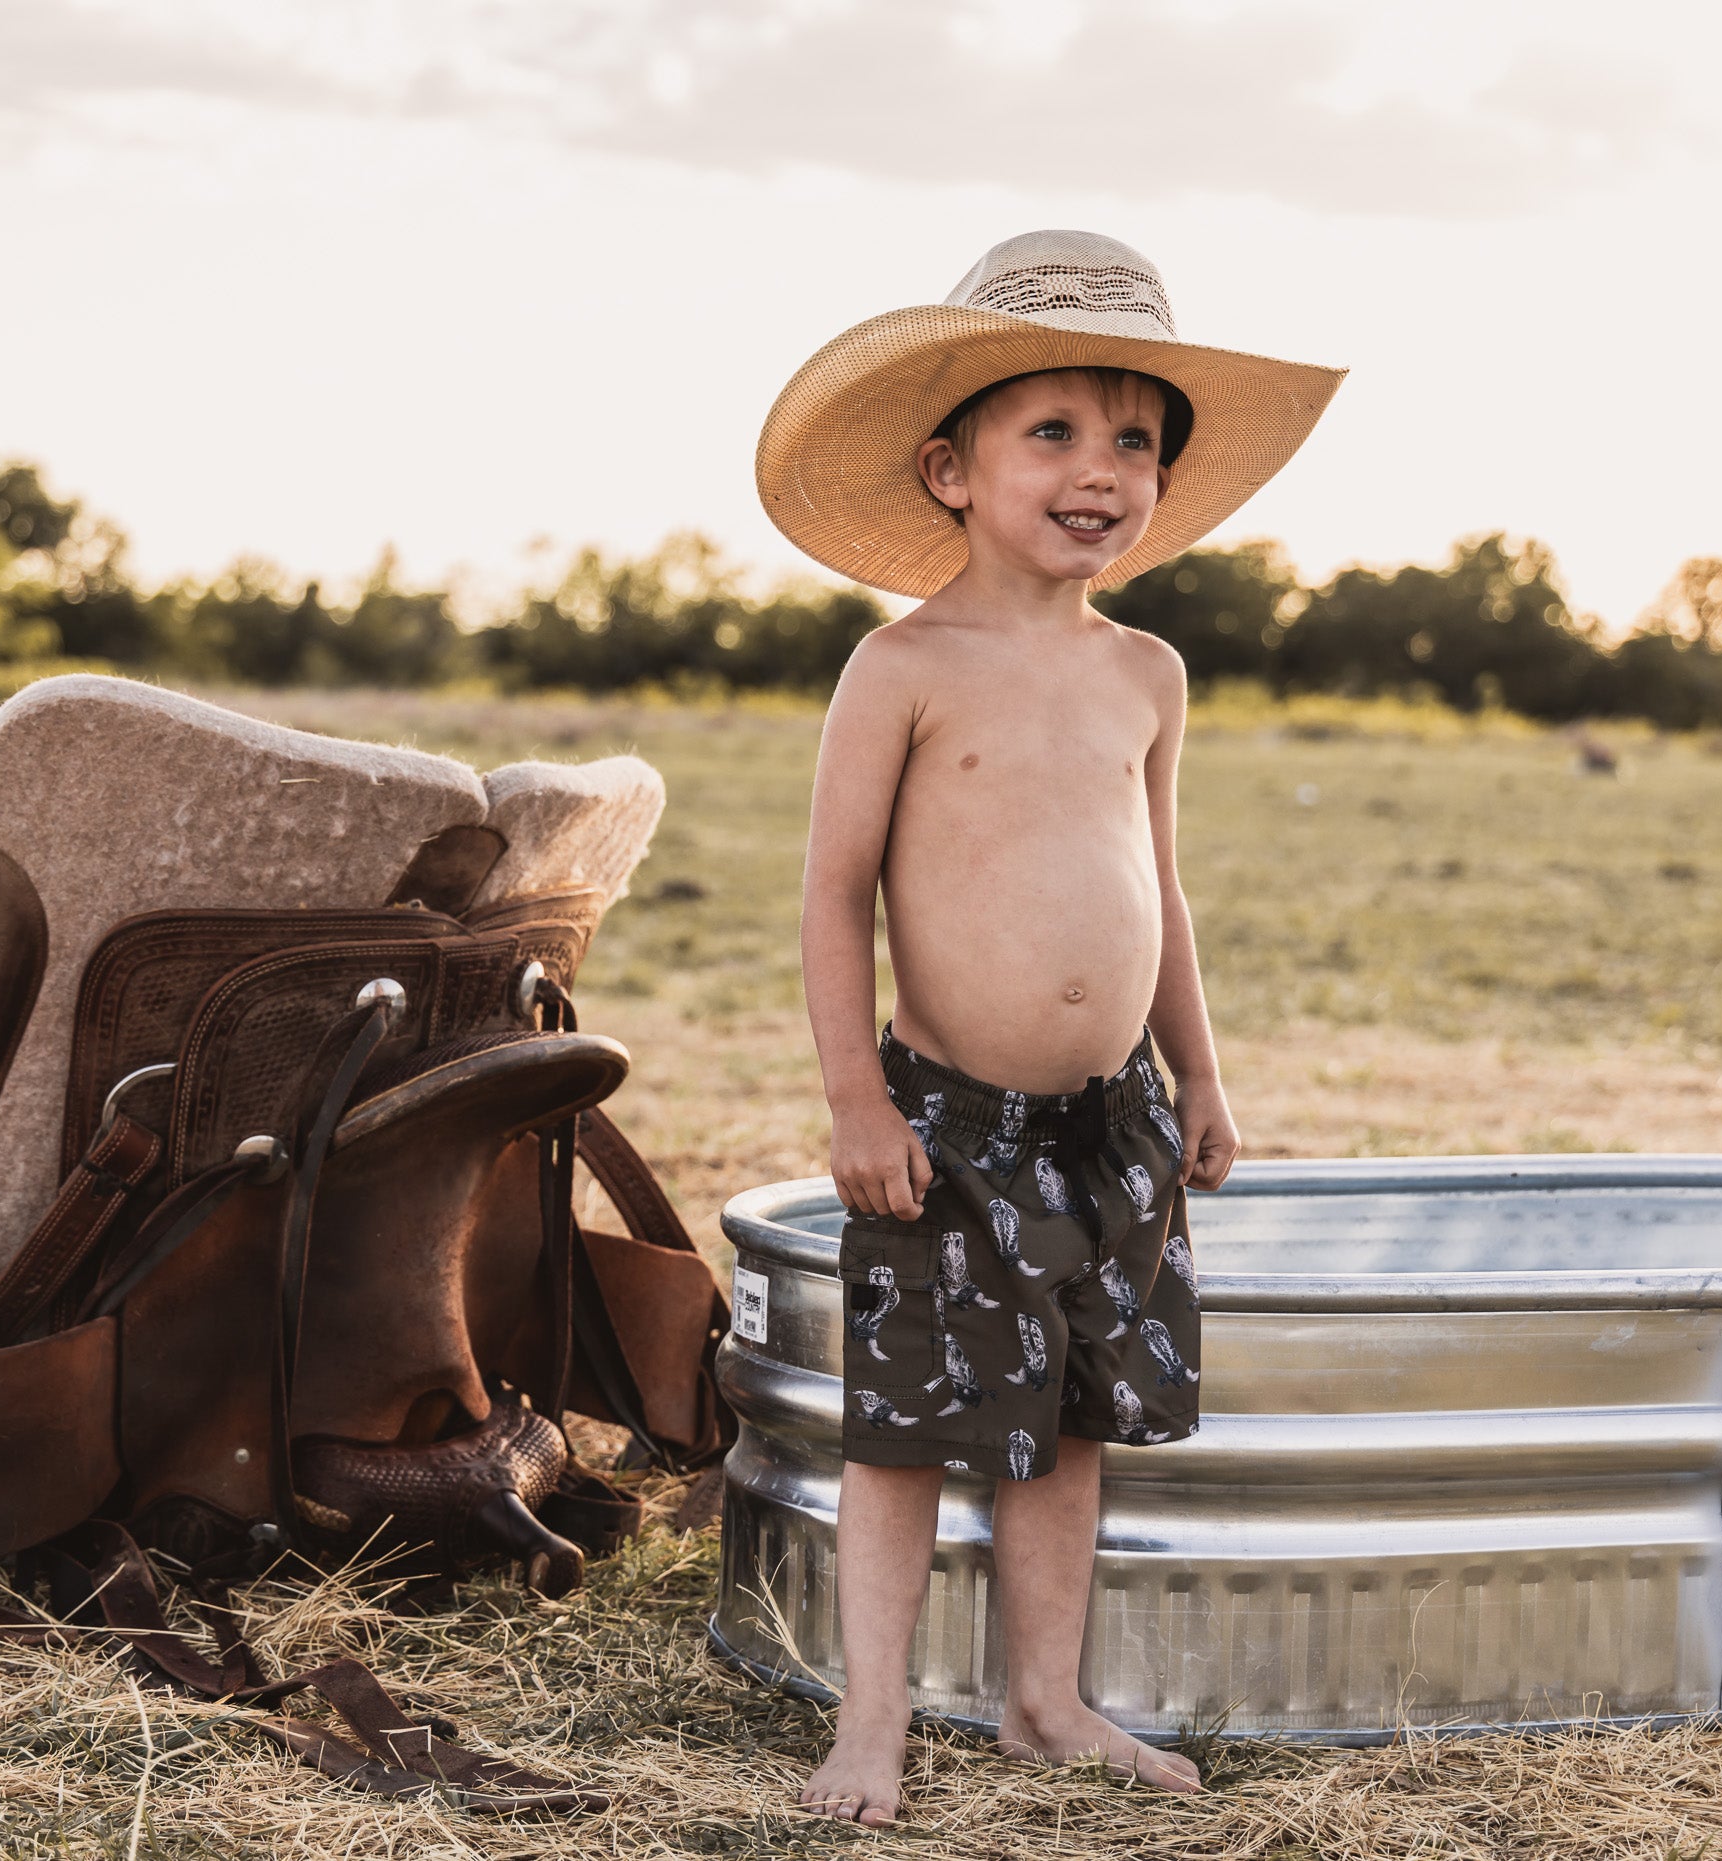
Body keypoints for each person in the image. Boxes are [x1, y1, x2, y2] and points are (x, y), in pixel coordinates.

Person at [754, 229, 1345, 1824]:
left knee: (1075, 1410)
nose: (1103, 471)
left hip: (1115, 1118)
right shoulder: (900, 667)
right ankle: (870, 1719)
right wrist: (855, 1100)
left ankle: (1043, 1694)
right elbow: (833, 898)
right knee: (912, 1425)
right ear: (952, 468)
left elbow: (1161, 889)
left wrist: (1200, 1070)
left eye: (1135, 440)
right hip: (952, 1124)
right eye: (1056, 433)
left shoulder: (1144, 670)